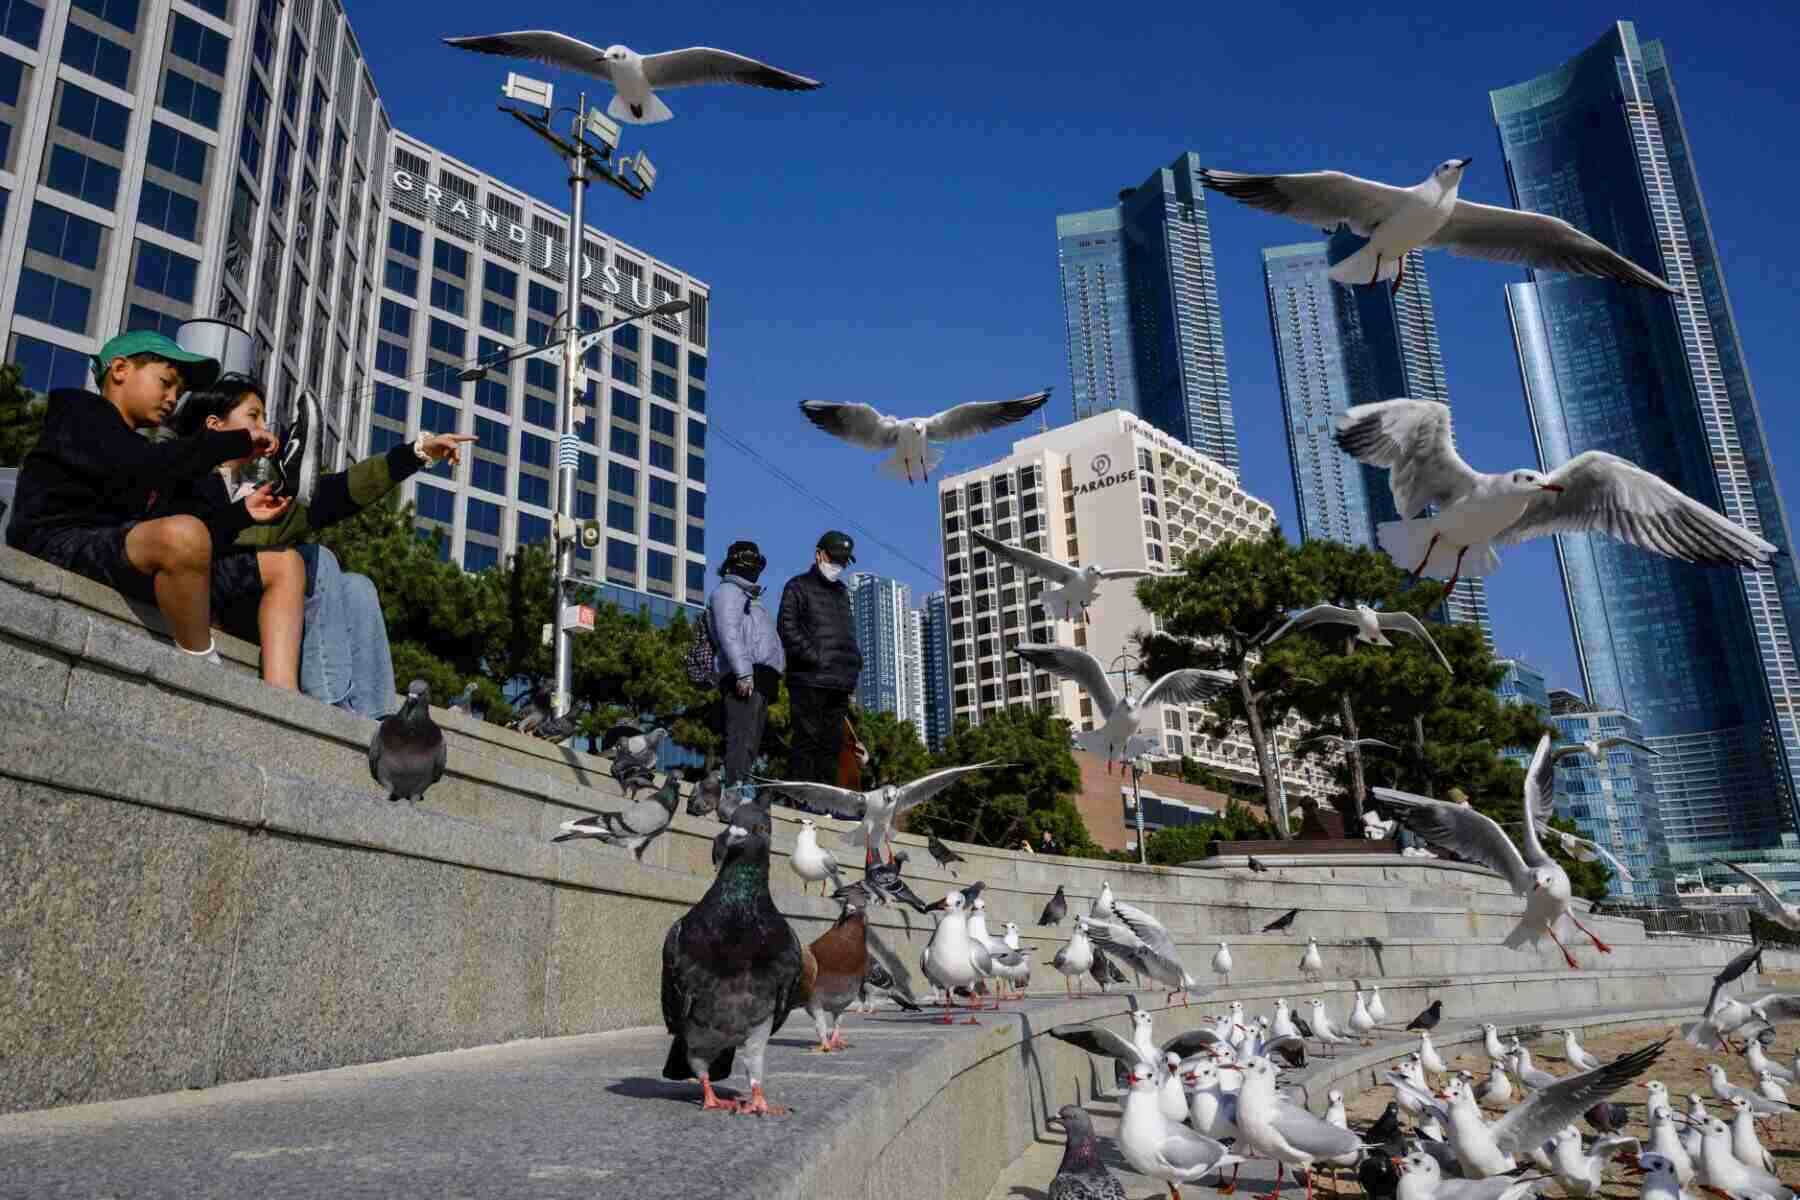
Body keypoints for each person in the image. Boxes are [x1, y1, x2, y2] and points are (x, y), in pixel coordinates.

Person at [167, 375, 475, 717]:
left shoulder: (249, 487)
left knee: (357, 586)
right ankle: (330, 704)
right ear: (214, 424)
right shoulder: (186, 472)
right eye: (253, 416)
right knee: (317, 557)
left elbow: (341, 492)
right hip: (211, 600)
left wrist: (415, 455)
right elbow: (194, 541)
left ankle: (376, 715)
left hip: (263, 602)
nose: (264, 426)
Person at [4, 331, 302, 680]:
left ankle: (283, 694)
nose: (173, 398)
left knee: (284, 562)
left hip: (120, 551)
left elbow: (184, 534)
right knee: (182, 533)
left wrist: (242, 512)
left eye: (178, 391)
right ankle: (202, 667)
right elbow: (142, 469)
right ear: (119, 369)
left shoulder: (137, 449)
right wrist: (232, 441)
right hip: (60, 544)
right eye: (166, 382)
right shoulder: (78, 414)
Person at [777, 530, 863, 785]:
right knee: (806, 741)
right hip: (809, 679)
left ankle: (825, 803)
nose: (839, 566)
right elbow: (787, 629)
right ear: (819, 554)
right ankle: (802, 801)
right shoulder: (797, 586)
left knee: (832, 745)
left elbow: (846, 632)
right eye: (835, 559)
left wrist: (854, 661)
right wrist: (815, 658)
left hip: (839, 681)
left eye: (844, 561)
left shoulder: (842, 592)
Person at [707, 540, 784, 793]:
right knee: (741, 734)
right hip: (745, 673)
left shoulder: (748, 596)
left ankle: (741, 784)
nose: (753, 569)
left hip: (759, 675)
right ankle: (734, 786)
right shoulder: (728, 592)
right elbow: (729, 633)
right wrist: (743, 672)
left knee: (751, 736)